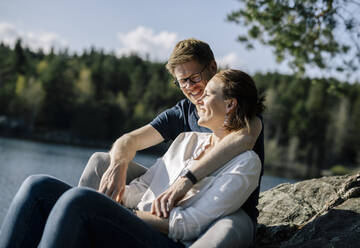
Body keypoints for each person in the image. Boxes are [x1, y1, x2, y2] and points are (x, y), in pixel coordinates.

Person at [0, 69, 264, 248]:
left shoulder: (245, 163)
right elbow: (143, 187)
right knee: (38, 187)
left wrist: (125, 213)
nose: (199, 99)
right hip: (137, 219)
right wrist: (118, 194)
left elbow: (189, 226)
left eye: (208, 94)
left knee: (80, 200)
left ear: (230, 104)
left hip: (165, 239)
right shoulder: (187, 141)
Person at [79, 38, 265, 247]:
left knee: (228, 229)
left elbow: (245, 138)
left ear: (212, 66)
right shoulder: (183, 113)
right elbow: (129, 140)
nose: (190, 87)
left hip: (227, 208)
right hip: (174, 198)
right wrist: (118, 165)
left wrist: (187, 180)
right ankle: (86, 231)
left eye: (194, 77)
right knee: (100, 163)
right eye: (182, 81)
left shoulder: (246, 119)